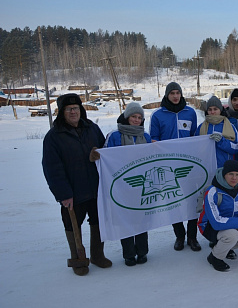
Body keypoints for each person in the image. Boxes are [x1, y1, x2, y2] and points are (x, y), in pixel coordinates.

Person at [42, 93, 112, 276]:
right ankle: (79, 259)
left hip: (96, 188)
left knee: (97, 221)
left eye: (76, 108)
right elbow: (52, 168)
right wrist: (63, 194)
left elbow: (106, 152)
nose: (73, 112)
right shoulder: (54, 137)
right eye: (68, 109)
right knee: (73, 224)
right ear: (62, 112)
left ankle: (97, 255)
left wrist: (100, 153)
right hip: (72, 191)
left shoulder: (92, 128)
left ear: (81, 110)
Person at [149, 82, 201, 252]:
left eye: (178, 92)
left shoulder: (190, 112)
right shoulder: (158, 115)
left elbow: (195, 137)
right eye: (172, 93)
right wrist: (155, 144)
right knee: (174, 201)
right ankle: (180, 235)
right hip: (169, 166)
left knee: (192, 201)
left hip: (188, 164)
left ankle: (192, 237)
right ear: (166, 95)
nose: (176, 96)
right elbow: (154, 139)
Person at [104, 102, 152, 266]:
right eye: (134, 116)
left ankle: (142, 252)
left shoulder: (145, 136)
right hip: (122, 186)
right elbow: (107, 159)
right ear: (127, 117)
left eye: (139, 117)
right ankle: (129, 254)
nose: (137, 120)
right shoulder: (115, 135)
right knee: (125, 219)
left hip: (142, 185)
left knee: (141, 218)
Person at [195, 95, 238, 168]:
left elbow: (236, 148)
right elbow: (196, 147)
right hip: (206, 167)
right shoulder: (201, 127)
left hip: (224, 168)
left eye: (215, 109)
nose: (212, 112)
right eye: (210, 109)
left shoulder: (230, 126)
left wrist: (222, 141)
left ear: (220, 110)